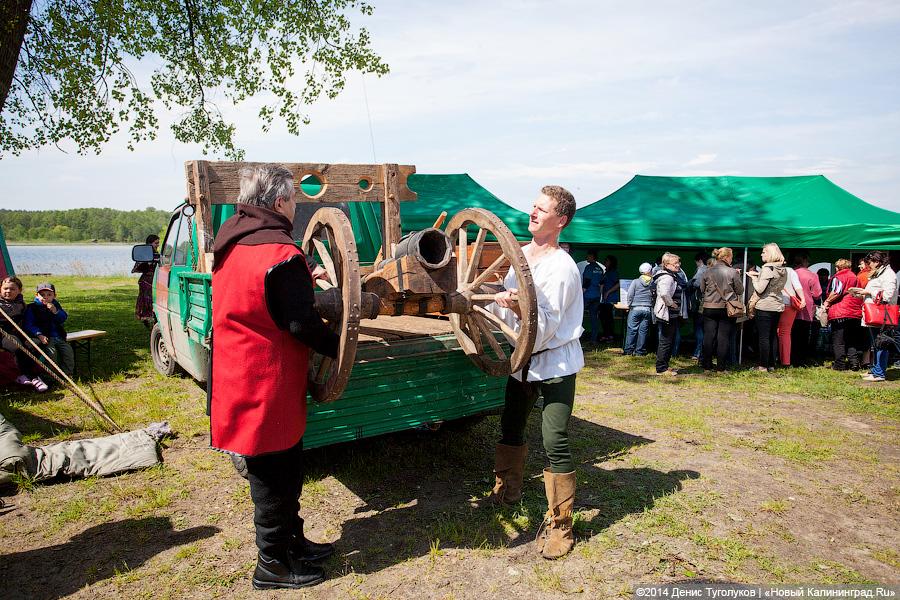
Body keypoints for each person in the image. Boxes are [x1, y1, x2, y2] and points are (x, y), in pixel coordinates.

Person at [209, 164, 340, 589]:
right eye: (294, 200)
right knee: (271, 478)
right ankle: (271, 565)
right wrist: (340, 346)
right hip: (266, 380)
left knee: (287, 467)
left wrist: (306, 279)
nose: (295, 206)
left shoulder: (232, 241)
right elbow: (301, 324)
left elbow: (264, 297)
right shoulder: (280, 253)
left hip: (240, 371)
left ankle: (292, 543)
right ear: (280, 201)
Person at [488, 185, 583, 560]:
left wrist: (516, 309)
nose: (533, 213)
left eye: (541, 210)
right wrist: (502, 305)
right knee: (510, 426)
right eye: (533, 207)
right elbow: (507, 316)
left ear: (560, 221)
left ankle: (561, 525)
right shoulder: (521, 255)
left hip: (555, 362)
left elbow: (545, 326)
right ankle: (507, 489)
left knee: (554, 439)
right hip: (522, 361)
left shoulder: (562, 268)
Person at [850, 250, 897, 382]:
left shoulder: (888, 274)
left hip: (882, 314)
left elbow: (887, 295)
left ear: (877, 261)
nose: (867, 265)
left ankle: (879, 373)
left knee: (881, 343)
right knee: (876, 343)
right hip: (875, 313)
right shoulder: (879, 273)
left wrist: (867, 291)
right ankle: (875, 370)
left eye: (869, 262)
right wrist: (860, 294)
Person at [0, 277, 48, 392]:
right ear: (0, 289)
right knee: (16, 345)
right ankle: (24, 375)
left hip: (17, 332)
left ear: (19, 290)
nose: (8, 291)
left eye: (12, 289)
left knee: (34, 343)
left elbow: (27, 322)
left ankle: (33, 375)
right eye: (5, 288)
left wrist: (38, 334)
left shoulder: (21, 304)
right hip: (2, 335)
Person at [699, 247, 743, 372]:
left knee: (708, 336)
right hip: (725, 308)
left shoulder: (707, 271)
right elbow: (740, 290)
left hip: (709, 307)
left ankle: (706, 365)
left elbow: (702, 289)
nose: (732, 259)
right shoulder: (732, 272)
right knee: (723, 337)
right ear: (727, 257)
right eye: (731, 257)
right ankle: (721, 367)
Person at [748, 243, 787, 372]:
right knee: (772, 336)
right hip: (777, 305)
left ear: (770, 253)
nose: (761, 254)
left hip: (765, 305)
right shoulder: (783, 268)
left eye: (764, 252)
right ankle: (771, 364)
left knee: (763, 337)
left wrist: (754, 278)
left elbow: (760, 289)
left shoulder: (767, 268)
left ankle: (763, 366)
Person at [24, 282, 74, 377]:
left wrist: (55, 311)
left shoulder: (55, 305)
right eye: (42, 295)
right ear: (36, 295)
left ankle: (67, 375)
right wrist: (39, 334)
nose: (45, 297)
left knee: (68, 353)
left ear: (54, 296)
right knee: (52, 355)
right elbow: (29, 324)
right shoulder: (33, 308)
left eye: (49, 295)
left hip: (59, 336)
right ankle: (50, 377)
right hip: (46, 337)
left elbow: (63, 318)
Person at [823, 259, 863, 370]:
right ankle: (854, 363)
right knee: (851, 339)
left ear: (838, 267)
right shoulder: (855, 277)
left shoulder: (839, 277)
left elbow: (837, 291)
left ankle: (839, 364)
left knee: (838, 340)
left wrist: (827, 301)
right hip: (854, 312)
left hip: (840, 312)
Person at [653, 252, 687, 375]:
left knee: (669, 340)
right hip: (666, 313)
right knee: (665, 341)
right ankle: (661, 368)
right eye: (675, 263)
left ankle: (665, 366)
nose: (678, 265)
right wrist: (671, 303)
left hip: (671, 314)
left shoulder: (672, 275)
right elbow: (664, 293)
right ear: (666, 264)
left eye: (678, 262)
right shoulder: (667, 277)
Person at [790, 253, 822, 366]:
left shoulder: (791, 273)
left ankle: (789, 358)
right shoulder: (812, 275)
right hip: (806, 309)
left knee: (790, 334)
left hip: (791, 306)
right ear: (805, 262)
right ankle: (801, 359)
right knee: (803, 335)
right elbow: (817, 294)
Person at [776, 263, 804, 367]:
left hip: (774, 303)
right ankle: (785, 361)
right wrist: (802, 299)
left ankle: (773, 358)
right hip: (788, 304)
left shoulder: (769, 269)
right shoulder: (791, 271)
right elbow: (797, 286)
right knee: (785, 333)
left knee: (774, 332)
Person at [623, 263, 654, 356]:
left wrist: (628, 305)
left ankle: (628, 350)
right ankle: (640, 351)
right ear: (649, 271)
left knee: (632, 329)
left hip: (635, 308)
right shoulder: (653, 282)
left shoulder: (635, 281)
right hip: (647, 309)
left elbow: (630, 294)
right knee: (643, 331)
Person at [132, 234, 160, 327]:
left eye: (158, 243)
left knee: (151, 299)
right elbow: (138, 268)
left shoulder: (156, 254)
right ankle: (148, 318)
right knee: (148, 300)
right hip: (147, 281)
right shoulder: (145, 255)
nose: (158, 245)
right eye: (156, 243)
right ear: (149, 243)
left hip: (152, 280)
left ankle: (150, 318)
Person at [689, 251, 709, 360]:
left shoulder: (702, 269)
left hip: (700, 303)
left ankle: (698, 352)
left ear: (700, 261)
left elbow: (696, 283)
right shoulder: (712, 269)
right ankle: (704, 352)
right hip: (710, 303)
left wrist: (690, 283)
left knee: (699, 328)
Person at [581, 250, 604, 345]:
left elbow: (587, 281)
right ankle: (593, 339)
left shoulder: (588, 267)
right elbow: (602, 283)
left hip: (588, 295)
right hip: (596, 296)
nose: (587, 257)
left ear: (592, 257)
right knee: (594, 317)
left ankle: (577, 337)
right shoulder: (600, 269)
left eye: (588, 256)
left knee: (579, 316)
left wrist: (581, 293)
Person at [597, 255, 619, 342]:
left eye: (607, 260)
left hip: (610, 299)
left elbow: (618, 284)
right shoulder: (606, 272)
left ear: (611, 263)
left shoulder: (613, 272)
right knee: (603, 317)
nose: (605, 262)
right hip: (604, 300)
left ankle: (610, 336)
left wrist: (608, 292)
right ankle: (606, 335)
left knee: (608, 318)